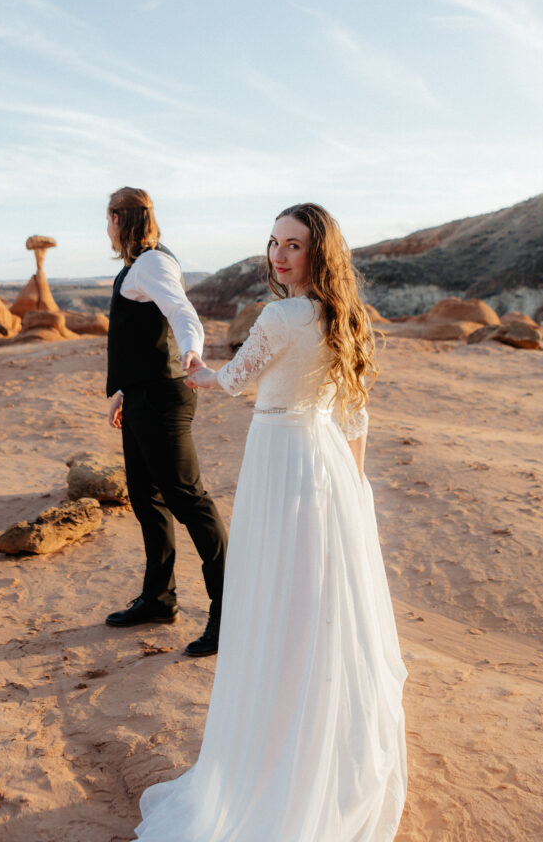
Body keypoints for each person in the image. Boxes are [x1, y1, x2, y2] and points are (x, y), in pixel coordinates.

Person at [130, 202, 407, 842]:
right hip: (328, 463)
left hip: (282, 459)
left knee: (281, 602)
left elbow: (232, 381)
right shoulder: (343, 317)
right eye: (275, 242)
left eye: (295, 245)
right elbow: (355, 415)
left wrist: (197, 371)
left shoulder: (279, 315)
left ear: (317, 254)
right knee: (317, 604)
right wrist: (357, 488)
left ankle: (276, 756)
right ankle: (318, 745)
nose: (280, 255)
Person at [104, 186, 227, 657]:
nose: (107, 227)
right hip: (141, 397)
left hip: (163, 398)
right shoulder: (138, 264)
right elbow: (138, 337)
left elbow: (182, 312)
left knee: (188, 501)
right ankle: (159, 599)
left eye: (109, 218)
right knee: (146, 500)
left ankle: (228, 608)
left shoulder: (152, 263)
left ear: (119, 218)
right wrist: (121, 391)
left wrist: (192, 350)